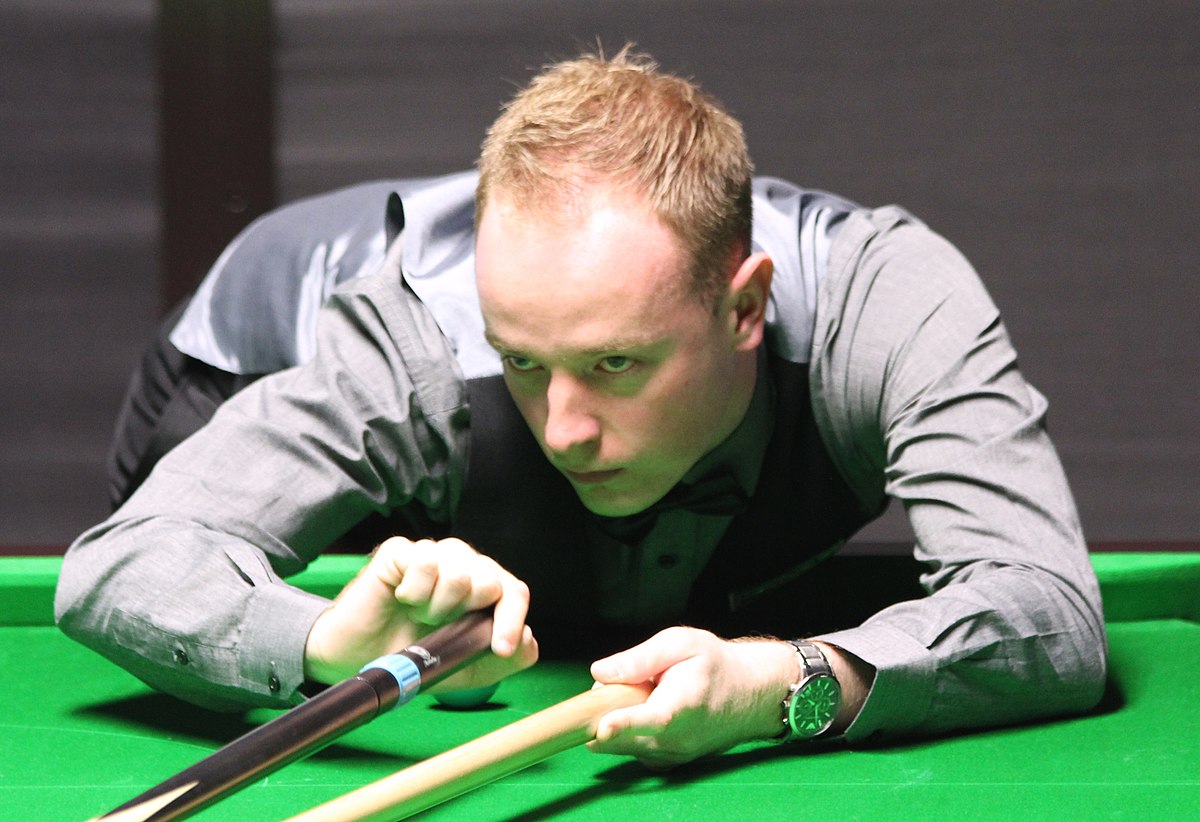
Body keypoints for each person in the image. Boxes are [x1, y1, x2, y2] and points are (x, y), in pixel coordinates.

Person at [55, 48, 1106, 768]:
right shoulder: (408, 345)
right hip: (234, 368)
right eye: (522, 360)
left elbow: (1042, 603)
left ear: (745, 308)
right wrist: (330, 641)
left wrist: (785, 678)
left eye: (615, 363)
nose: (562, 429)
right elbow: (122, 566)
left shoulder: (888, 307)